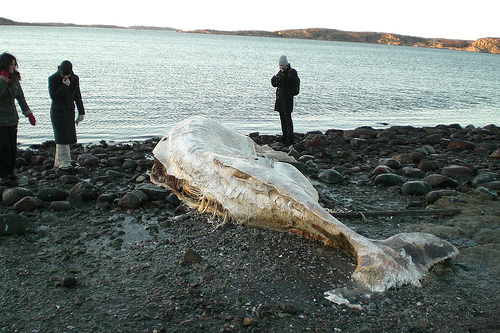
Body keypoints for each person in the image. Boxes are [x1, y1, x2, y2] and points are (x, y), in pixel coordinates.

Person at [0, 52, 36, 186]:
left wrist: (28, 114)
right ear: (4, 64)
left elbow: (20, 97)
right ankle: (2, 175)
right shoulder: (1, 78)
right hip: (0, 120)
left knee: (13, 147)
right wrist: (3, 79)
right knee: (4, 147)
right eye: (11, 64)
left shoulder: (14, 79)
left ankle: (10, 172)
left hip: (12, 119)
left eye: (14, 64)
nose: (13, 67)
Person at [48, 60, 85, 171]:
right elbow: (54, 96)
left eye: (68, 74)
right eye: (64, 74)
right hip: (57, 112)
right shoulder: (53, 79)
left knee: (67, 136)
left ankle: (58, 162)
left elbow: (77, 95)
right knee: (61, 136)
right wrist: (64, 86)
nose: (66, 76)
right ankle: (64, 162)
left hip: (69, 111)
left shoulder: (75, 79)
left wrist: (81, 111)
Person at [271, 55, 299, 145]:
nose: (281, 67)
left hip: (287, 99)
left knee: (287, 120)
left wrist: (282, 77)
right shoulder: (280, 72)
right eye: (280, 65)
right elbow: (275, 84)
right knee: (282, 119)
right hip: (280, 99)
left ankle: (290, 138)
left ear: (286, 64)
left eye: (283, 65)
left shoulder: (292, 72)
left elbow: (291, 81)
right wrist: (274, 80)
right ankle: (284, 136)